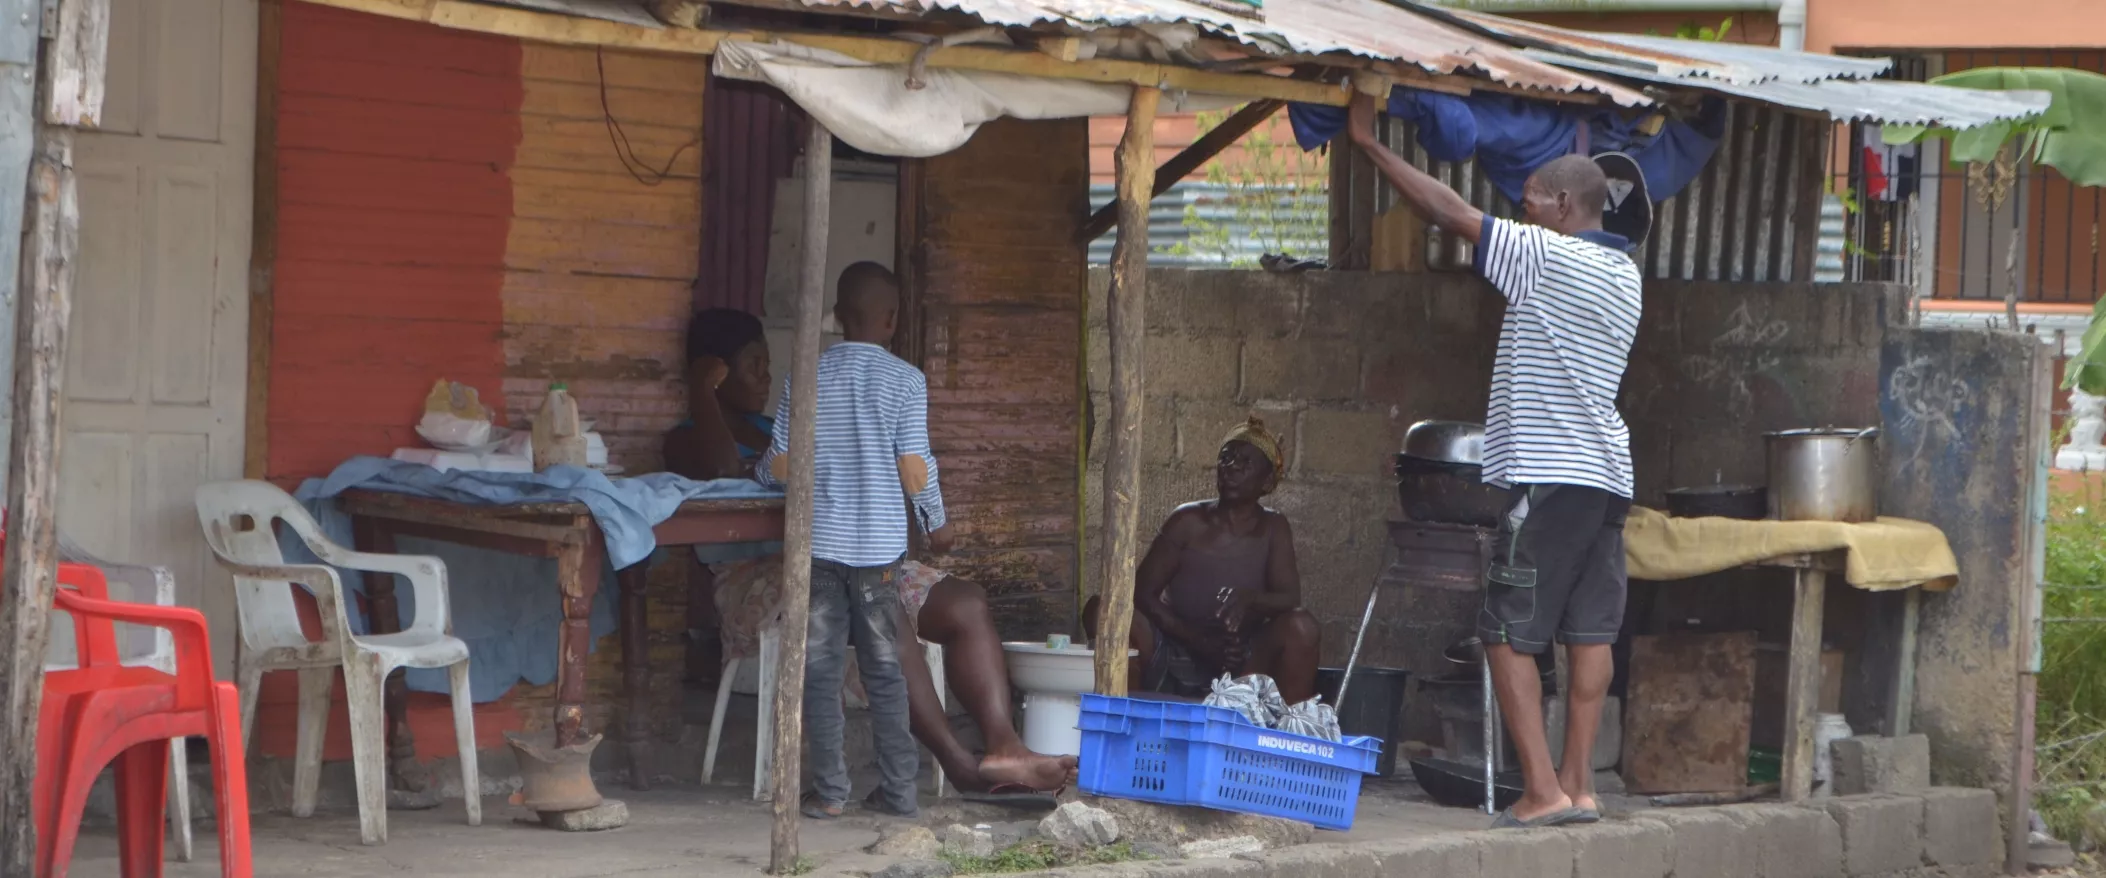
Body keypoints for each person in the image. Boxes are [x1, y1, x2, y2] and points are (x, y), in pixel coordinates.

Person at [1344, 91, 1641, 829]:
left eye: (1533, 197)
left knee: (1505, 632)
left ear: (1566, 205)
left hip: (1553, 476)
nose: (1523, 206)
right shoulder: (1626, 275)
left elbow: (1446, 211)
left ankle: (1540, 791)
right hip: (1605, 478)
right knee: (1588, 635)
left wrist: (1367, 142)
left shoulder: (1547, 256)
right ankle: (1580, 785)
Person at [665, 307, 1077, 797]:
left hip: (846, 558)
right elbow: (723, 465)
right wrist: (701, 391)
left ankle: (1005, 747)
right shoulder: (685, 439)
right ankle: (961, 765)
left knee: (965, 603)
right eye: (753, 363)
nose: (766, 374)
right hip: (760, 577)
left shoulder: (786, 421)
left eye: (768, 362)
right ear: (715, 370)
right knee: (883, 611)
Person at [1084, 417, 1323, 705]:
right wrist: (1197, 640)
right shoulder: (1187, 521)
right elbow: (1140, 594)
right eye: (1226, 458)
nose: (1231, 468)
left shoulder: (1273, 528)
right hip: (1174, 648)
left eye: (1245, 463)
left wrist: (1251, 599)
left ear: (1267, 481)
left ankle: (1288, 737)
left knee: (1301, 627)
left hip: (1239, 658)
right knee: (1103, 610)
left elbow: (1289, 598)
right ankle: (1127, 712)